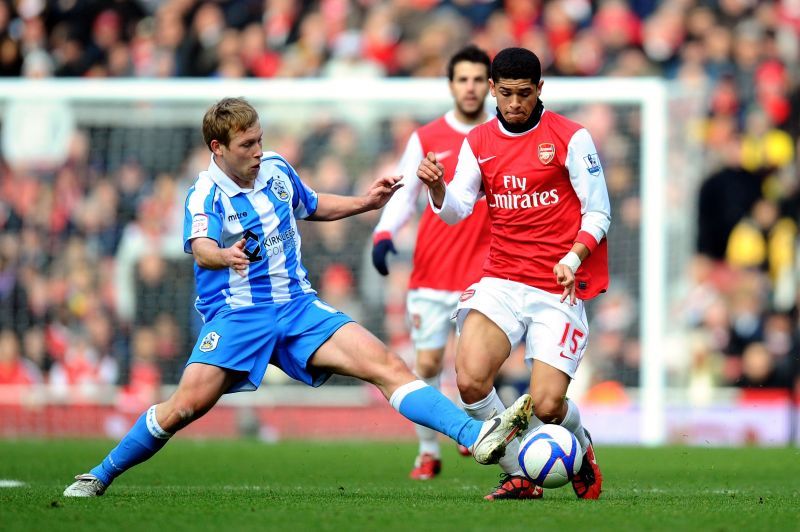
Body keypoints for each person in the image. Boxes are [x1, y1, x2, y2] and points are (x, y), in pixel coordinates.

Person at [63, 97, 533, 497]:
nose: (258, 151)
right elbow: (201, 248)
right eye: (247, 145)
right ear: (217, 148)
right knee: (183, 407)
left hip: (298, 308)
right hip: (239, 317)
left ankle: (476, 434)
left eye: (260, 139)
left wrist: (364, 203)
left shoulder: (276, 170)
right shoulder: (204, 195)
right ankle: (99, 475)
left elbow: (311, 204)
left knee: (387, 366)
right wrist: (224, 256)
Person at [416, 47, 610, 500]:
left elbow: (599, 212)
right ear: (491, 91)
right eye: (506, 94)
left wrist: (573, 258)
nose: (515, 103)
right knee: (469, 381)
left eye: (525, 94)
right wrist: (439, 187)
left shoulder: (571, 137)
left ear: (540, 90)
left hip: (556, 285)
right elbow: (459, 208)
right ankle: (521, 471)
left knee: (546, 404)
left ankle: (581, 444)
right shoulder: (478, 141)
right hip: (501, 278)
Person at [373, 45, 530, 487]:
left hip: (483, 274)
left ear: (491, 86)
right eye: (463, 79)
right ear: (451, 85)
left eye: (479, 80)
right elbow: (404, 192)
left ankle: (472, 426)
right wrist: (384, 235)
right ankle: (428, 452)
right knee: (425, 364)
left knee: (473, 367)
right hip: (431, 271)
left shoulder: (501, 135)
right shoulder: (427, 137)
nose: (471, 87)